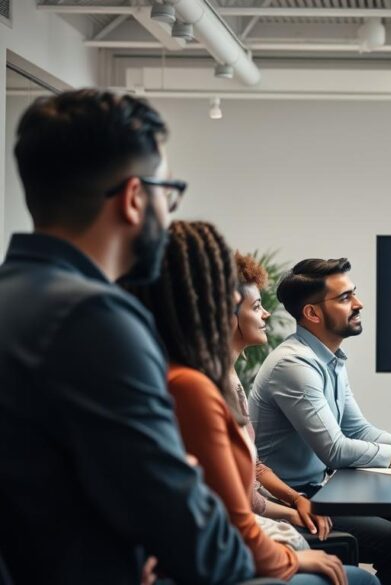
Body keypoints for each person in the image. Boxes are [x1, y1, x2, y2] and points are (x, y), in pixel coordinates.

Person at [0, 89, 253, 584]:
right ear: (135, 198)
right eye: (167, 193)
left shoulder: (17, 299)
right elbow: (210, 553)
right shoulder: (96, 319)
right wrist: (182, 477)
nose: (169, 213)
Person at [128, 221, 379, 585]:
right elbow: (237, 515)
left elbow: (249, 474)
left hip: (224, 541)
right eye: (252, 304)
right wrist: (292, 554)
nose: (266, 314)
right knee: (364, 578)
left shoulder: (214, 378)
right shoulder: (193, 387)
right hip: (219, 557)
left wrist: (292, 503)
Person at [250, 258, 391, 585]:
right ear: (312, 313)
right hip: (290, 499)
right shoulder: (293, 365)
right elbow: (335, 450)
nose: (358, 304)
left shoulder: (328, 358)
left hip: (322, 490)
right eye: (345, 298)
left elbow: (357, 429)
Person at [230, 251, 336, 541]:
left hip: (264, 505)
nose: (266, 314)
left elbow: (253, 466)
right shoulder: (213, 384)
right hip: (245, 523)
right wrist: (292, 511)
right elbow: (244, 498)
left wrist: (295, 499)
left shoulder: (232, 376)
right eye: (257, 307)